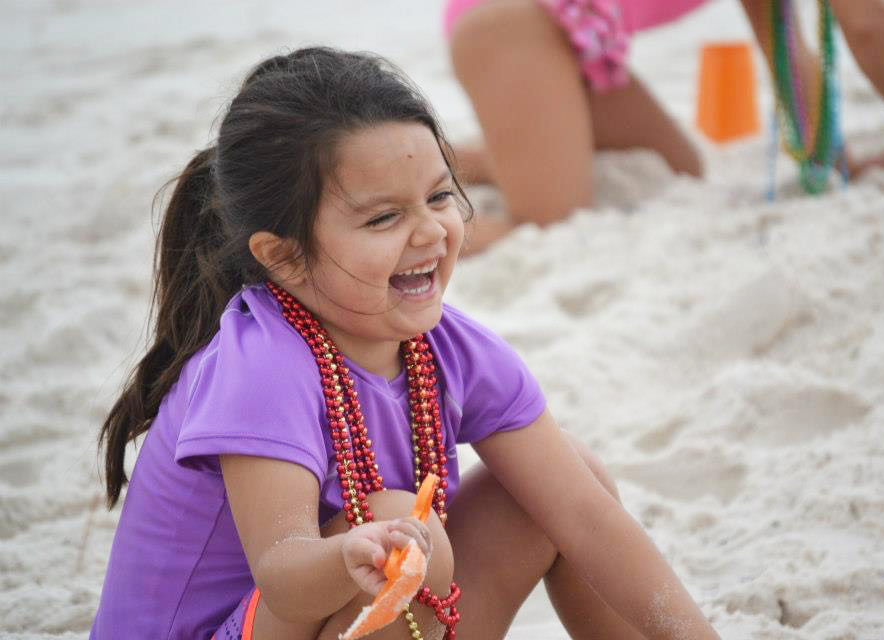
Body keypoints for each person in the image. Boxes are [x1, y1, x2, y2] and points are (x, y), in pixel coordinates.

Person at [91, 47, 721, 639]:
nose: (431, 232)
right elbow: (282, 575)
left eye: (440, 196)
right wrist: (346, 558)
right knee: (400, 524)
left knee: (564, 484)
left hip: (375, 610)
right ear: (284, 257)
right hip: (243, 621)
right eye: (383, 217)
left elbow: (587, 522)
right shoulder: (259, 365)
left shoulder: (450, 349)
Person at [445, 0, 884, 253]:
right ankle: (398, 221)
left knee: (674, 169)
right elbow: (866, 25)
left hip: (577, 28)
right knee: (551, 227)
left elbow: (784, 45)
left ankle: (464, 159)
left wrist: (831, 160)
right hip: (507, 19)